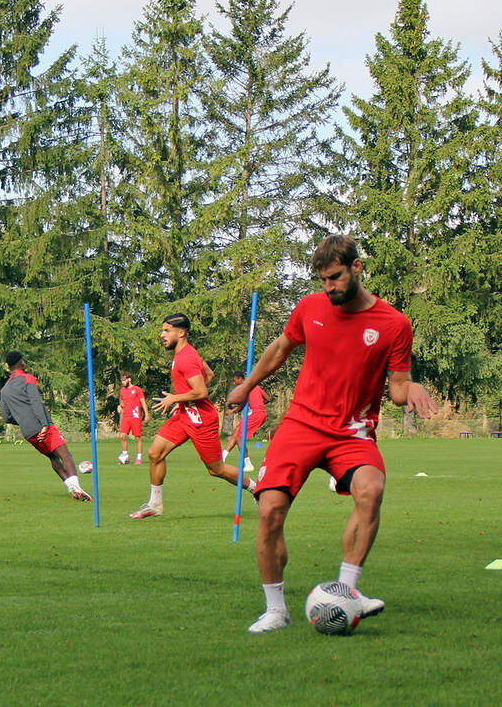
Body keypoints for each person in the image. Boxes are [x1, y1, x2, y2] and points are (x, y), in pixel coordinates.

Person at [227, 235, 438, 634]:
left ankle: (347, 591)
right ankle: (276, 610)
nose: (329, 287)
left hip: (352, 433)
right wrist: (247, 385)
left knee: (371, 490)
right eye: (323, 280)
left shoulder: (394, 324)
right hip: (301, 424)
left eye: (336, 277)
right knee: (269, 510)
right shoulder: (310, 308)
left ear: (357, 268)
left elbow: (396, 390)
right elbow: (278, 350)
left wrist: (414, 388)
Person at [129, 314, 256, 519]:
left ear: (181, 332)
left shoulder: (186, 358)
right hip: (184, 415)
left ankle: (257, 489)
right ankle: (155, 504)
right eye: (162, 330)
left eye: (166, 330)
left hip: (201, 420)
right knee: (155, 454)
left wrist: (175, 398)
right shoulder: (185, 354)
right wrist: (183, 402)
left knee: (216, 469)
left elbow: (201, 392)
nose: (162, 335)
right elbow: (209, 375)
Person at [0, 351, 91, 501]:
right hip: (42, 425)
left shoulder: (4, 390)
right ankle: (76, 486)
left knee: (53, 457)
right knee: (65, 455)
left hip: (28, 431)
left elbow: (6, 416)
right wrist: (44, 425)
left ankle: (71, 486)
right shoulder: (28, 378)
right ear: (21, 362)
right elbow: (35, 402)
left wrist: (23, 421)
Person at [223, 373, 268, 472]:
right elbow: (268, 399)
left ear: (240, 379)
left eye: (235, 380)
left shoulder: (245, 388)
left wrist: (231, 406)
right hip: (259, 413)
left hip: (255, 414)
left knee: (239, 437)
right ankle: (223, 457)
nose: (234, 383)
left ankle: (248, 464)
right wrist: (259, 404)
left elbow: (241, 402)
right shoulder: (255, 386)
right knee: (236, 433)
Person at [116, 372, 148, 465]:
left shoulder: (137, 389)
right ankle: (125, 456)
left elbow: (143, 402)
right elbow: (124, 403)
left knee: (137, 438)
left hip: (135, 416)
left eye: (124, 380)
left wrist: (146, 414)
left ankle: (139, 458)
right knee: (122, 436)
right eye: (121, 380)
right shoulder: (122, 391)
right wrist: (120, 406)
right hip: (126, 416)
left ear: (129, 379)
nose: (123, 382)